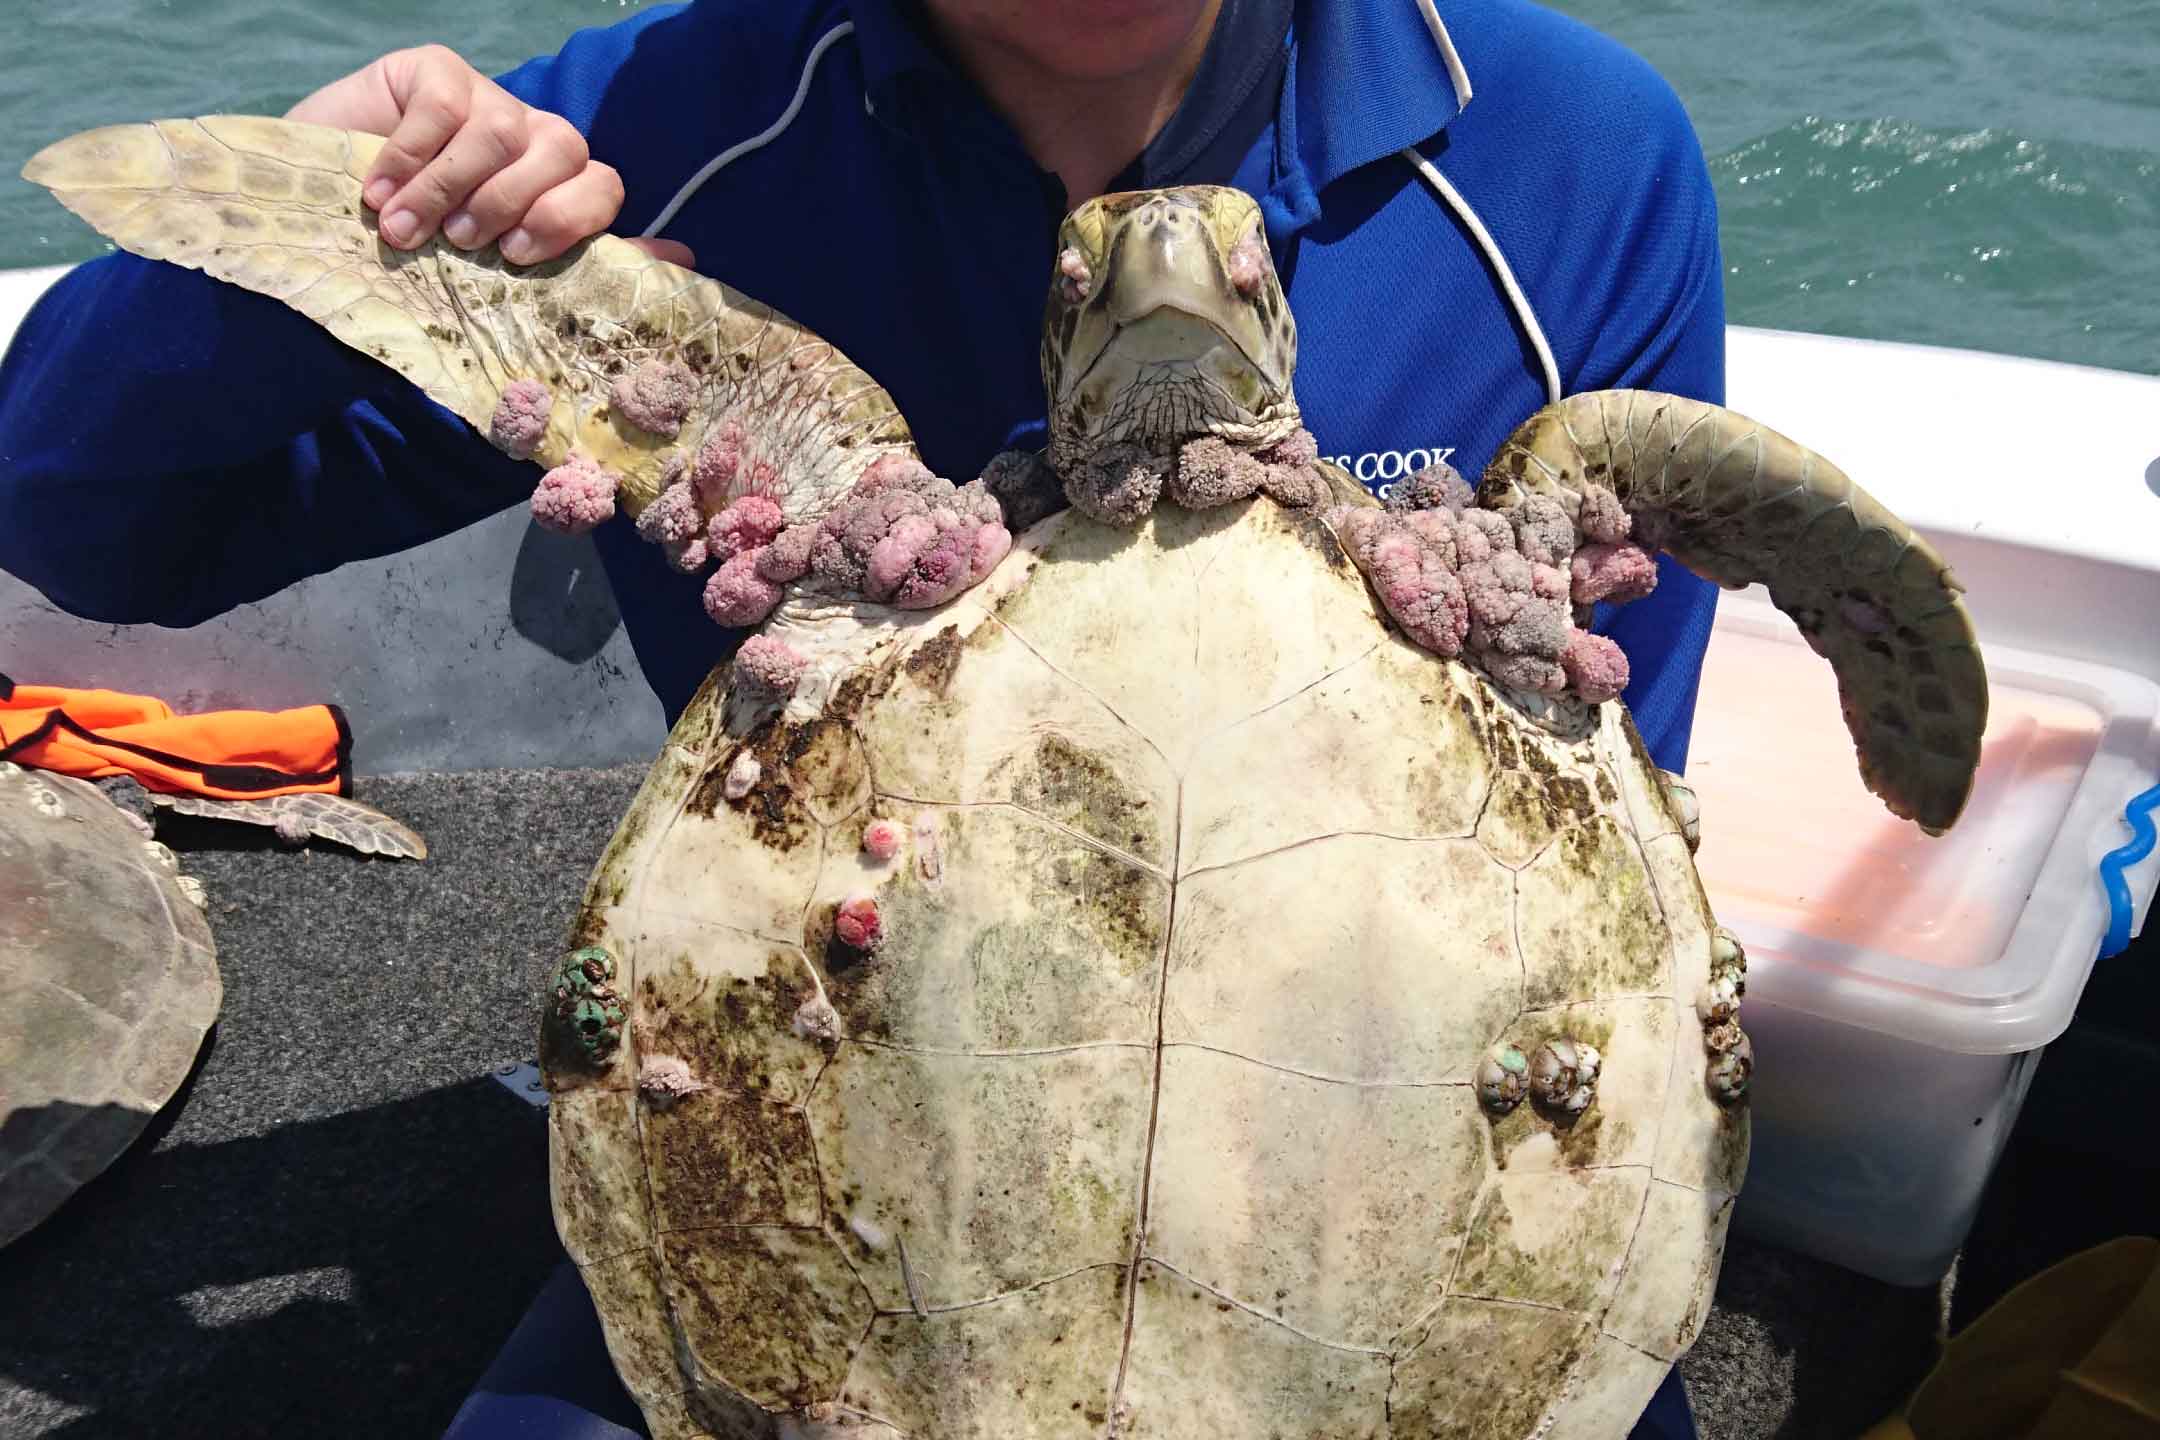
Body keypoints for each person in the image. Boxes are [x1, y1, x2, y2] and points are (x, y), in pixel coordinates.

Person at [0, 1, 1724, 1434]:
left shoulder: (1570, 162)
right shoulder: (661, 144)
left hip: (1402, 1199)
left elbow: (1597, 810)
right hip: (857, 1184)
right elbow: (77, 519)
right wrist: (328, 223)